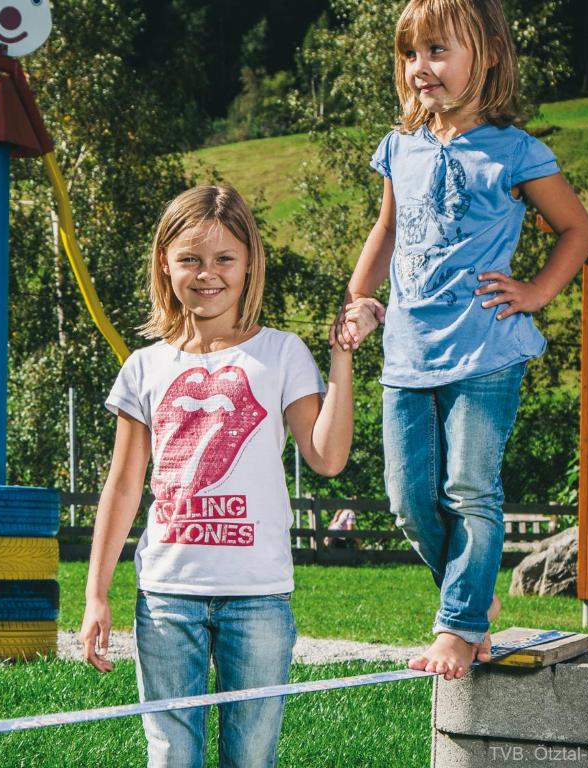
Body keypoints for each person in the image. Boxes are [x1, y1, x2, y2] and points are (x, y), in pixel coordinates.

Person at [331, 0, 588, 682]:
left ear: (490, 56)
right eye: (411, 54)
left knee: (470, 489)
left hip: (485, 352)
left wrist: (535, 292)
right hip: (407, 354)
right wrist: (359, 299)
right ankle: (473, 596)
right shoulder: (401, 147)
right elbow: (388, 230)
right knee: (408, 500)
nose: (421, 67)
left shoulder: (515, 151)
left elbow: (578, 230)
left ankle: (459, 624)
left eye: (438, 51)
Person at [81, 185, 381, 767]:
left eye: (224, 258)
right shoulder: (144, 366)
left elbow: (327, 458)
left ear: (249, 264)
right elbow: (122, 486)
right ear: (165, 264)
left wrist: (341, 355)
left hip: (259, 596)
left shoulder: (282, 353)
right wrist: (96, 594)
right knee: (172, 756)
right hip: (167, 596)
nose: (207, 273)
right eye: (190, 259)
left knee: (251, 758)